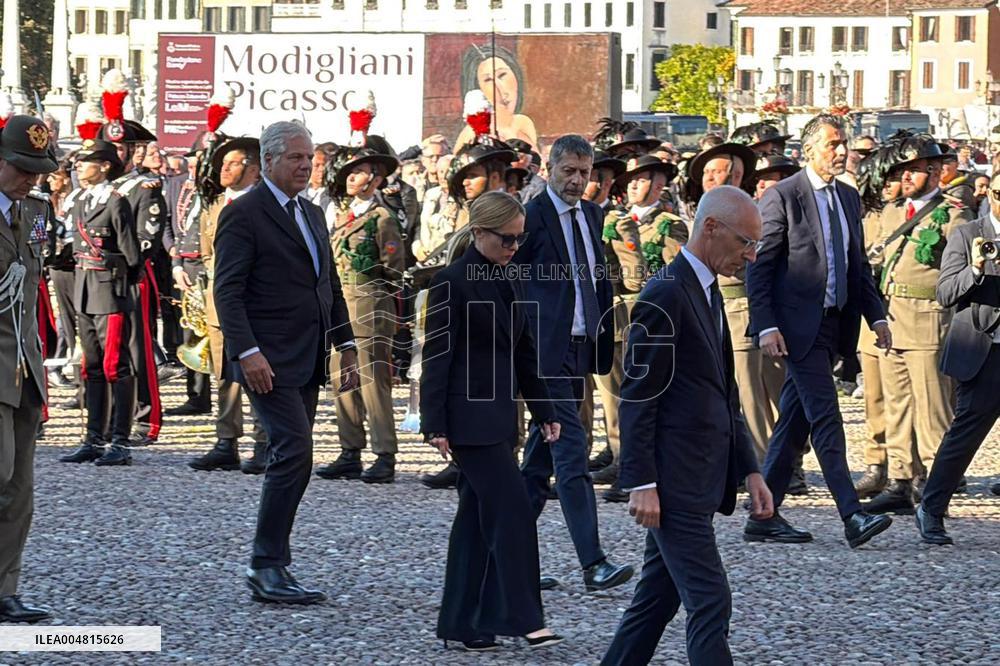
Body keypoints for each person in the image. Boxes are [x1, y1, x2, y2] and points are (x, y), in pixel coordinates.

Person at [602, 186, 773, 666]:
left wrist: (751, 470)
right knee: (710, 599)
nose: (751, 255)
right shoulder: (666, 292)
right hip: (673, 483)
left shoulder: (707, 290)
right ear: (711, 228)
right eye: (746, 242)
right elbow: (637, 397)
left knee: (656, 599)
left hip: (700, 476)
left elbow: (725, 393)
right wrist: (641, 482)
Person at [213, 121, 359, 603]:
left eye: (309, 156)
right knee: (294, 451)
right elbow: (228, 290)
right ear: (269, 160)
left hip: (308, 354)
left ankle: (273, 560)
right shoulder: (246, 214)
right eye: (296, 157)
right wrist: (247, 351)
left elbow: (328, 283)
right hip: (266, 357)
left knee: (293, 455)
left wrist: (347, 344)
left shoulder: (312, 214)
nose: (305, 165)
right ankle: (266, 564)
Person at [421, 191, 563, 652]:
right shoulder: (451, 282)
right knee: (513, 509)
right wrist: (434, 422)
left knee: (476, 520)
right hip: (467, 421)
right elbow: (436, 356)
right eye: (506, 239)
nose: (513, 248)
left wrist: (544, 410)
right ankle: (523, 617)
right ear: (479, 232)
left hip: (502, 418)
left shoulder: (513, 277)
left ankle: (463, 623)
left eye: (519, 240)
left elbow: (524, 351)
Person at [744, 113, 894, 548]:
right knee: (825, 416)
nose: (841, 150)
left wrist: (877, 316)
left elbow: (858, 267)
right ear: (809, 150)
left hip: (834, 326)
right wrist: (767, 324)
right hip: (795, 328)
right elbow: (762, 268)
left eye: (843, 143)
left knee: (794, 421)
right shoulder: (783, 197)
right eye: (832, 144)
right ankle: (852, 514)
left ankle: (762, 515)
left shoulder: (848, 198)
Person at [515, 134, 634, 591]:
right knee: (570, 448)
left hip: (583, 348)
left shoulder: (593, 215)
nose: (577, 181)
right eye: (569, 171)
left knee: (537, 462)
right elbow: (509, 278)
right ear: (549, 169)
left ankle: (500, 553)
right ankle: (594, 562)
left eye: (584, 173)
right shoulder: (531, 216)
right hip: (544, 353)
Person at [864, 135, 974, 514]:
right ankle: (899, 477)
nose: (906, 177)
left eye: (913, 169)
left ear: (934, 171)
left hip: (928, 318)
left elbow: (961, 271)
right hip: (891, 318)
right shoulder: (893, 212)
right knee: (897, 405)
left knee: (933, 408)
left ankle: (936, 482)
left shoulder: (954, 213)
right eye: (901, 170)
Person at [592, 154, 686, 501]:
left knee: (639, 398)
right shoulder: (609, 219)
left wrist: (627, 238)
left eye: (643, 178)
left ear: (660, 185)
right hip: (609, 319)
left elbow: (667, 277)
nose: (633, 184)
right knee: (611, 399)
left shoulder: (669, 224)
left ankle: (638, 469)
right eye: (630, 179)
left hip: (643, 321)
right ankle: (620, 460)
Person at [916, 170, 1000, 544]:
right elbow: (945, 292)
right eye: (999, 192)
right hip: (983, 349)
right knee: (964, 436)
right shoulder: (968, 233)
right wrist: (975, 269)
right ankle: (931, 508)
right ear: (990, 195)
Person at [314, 143, 404, 484]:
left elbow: (394, 270)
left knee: (372, 384)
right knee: (342, 381)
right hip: (340, 307)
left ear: (376, 179)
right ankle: (349, 449)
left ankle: (385, 453)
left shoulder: (383, 218)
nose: (352, 178)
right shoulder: (339, 215)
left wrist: (373, 284)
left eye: (360, 172)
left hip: (369, 306)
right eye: (349, 172)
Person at [0, 115, 59, 622]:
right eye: (21, 168)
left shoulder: (37, 210)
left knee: (20, 489)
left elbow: (38, 272)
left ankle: (5, 588)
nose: (31, 179)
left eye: (37, 171)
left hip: (23, 369)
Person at [185, 136, 271, 474]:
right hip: (221, 302)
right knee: (224, 373)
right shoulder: (215, 205)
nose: (224, 168)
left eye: (233, 163)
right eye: (223, 163)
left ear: (252, 168)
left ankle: (263, 441)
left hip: (255, 302)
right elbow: (209, 254)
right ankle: (226, 440)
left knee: (258, 374)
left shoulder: (265, 204)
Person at [59, 139, 142, 467]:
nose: (79, 167)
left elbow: (131, 254)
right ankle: (94, 437)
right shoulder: (79, 200)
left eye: (86, 161)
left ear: (105, 166)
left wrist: (120, 279)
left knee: (115, 367)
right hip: (83, 289)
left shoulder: (115, 201)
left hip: (109, 291)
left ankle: (120, 441)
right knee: (90, 367)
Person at [725, 153, 798, 467]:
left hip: (778, 310)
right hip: (744, 309)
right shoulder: (747, 213)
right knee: (750, 391)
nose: (767, 184)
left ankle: (786, 457)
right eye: (764, 178)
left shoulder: (798, 215)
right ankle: (766, 460)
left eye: (776, 178)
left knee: (779, 387)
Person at [456, 44, 537, 150]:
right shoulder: (472, 133)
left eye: (502, 75)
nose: (500, 88)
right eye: (488, 80)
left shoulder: (523, 122)